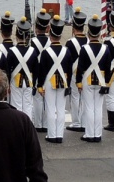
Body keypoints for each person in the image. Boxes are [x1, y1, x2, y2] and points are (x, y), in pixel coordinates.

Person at [76, 15, 112, 143]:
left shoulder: (84, 49)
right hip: (101, 80)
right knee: (98, 108)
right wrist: (107, 83)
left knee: (89, 108)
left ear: (89, 31)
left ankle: (89, 133)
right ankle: (97, 134)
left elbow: (80, 68)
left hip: (88, 80)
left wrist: (78, 82)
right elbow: (108, 68)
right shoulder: (106, 49)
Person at [36, 16, 72, 144]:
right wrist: (68, 85)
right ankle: (59, 134)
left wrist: (40, 85)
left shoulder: (46, 53)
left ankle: (52, 135)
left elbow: (42, 71)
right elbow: (69, 70)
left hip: (49, 82)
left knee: (51, 108)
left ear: (50, 34)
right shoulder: (66, 52)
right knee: (60, 109)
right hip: (63, 82)